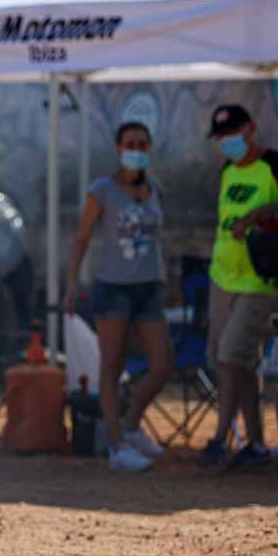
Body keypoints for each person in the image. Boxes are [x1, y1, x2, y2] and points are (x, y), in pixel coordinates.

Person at [200, 104, 278, 468]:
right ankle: (256, 444)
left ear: (251, 129)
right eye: (221, 137)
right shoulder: (228, 169)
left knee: (232, 353)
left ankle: (220, 439)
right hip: (223, 276)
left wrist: (259, 215)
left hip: (259, 278)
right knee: (231, 361)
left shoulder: (275, 163)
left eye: (232, 134)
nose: (226, 142)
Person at [65, 122, 173, 472]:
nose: (136, 148)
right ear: (117, 147)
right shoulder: (102, 191)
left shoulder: (155, 189)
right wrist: (71, 284)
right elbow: (81, 239)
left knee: (162, 364)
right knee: (111, 366)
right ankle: (115, 447)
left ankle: (131, 426)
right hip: (113, 288)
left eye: (142, 143)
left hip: (149, 287)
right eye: (130, 143)